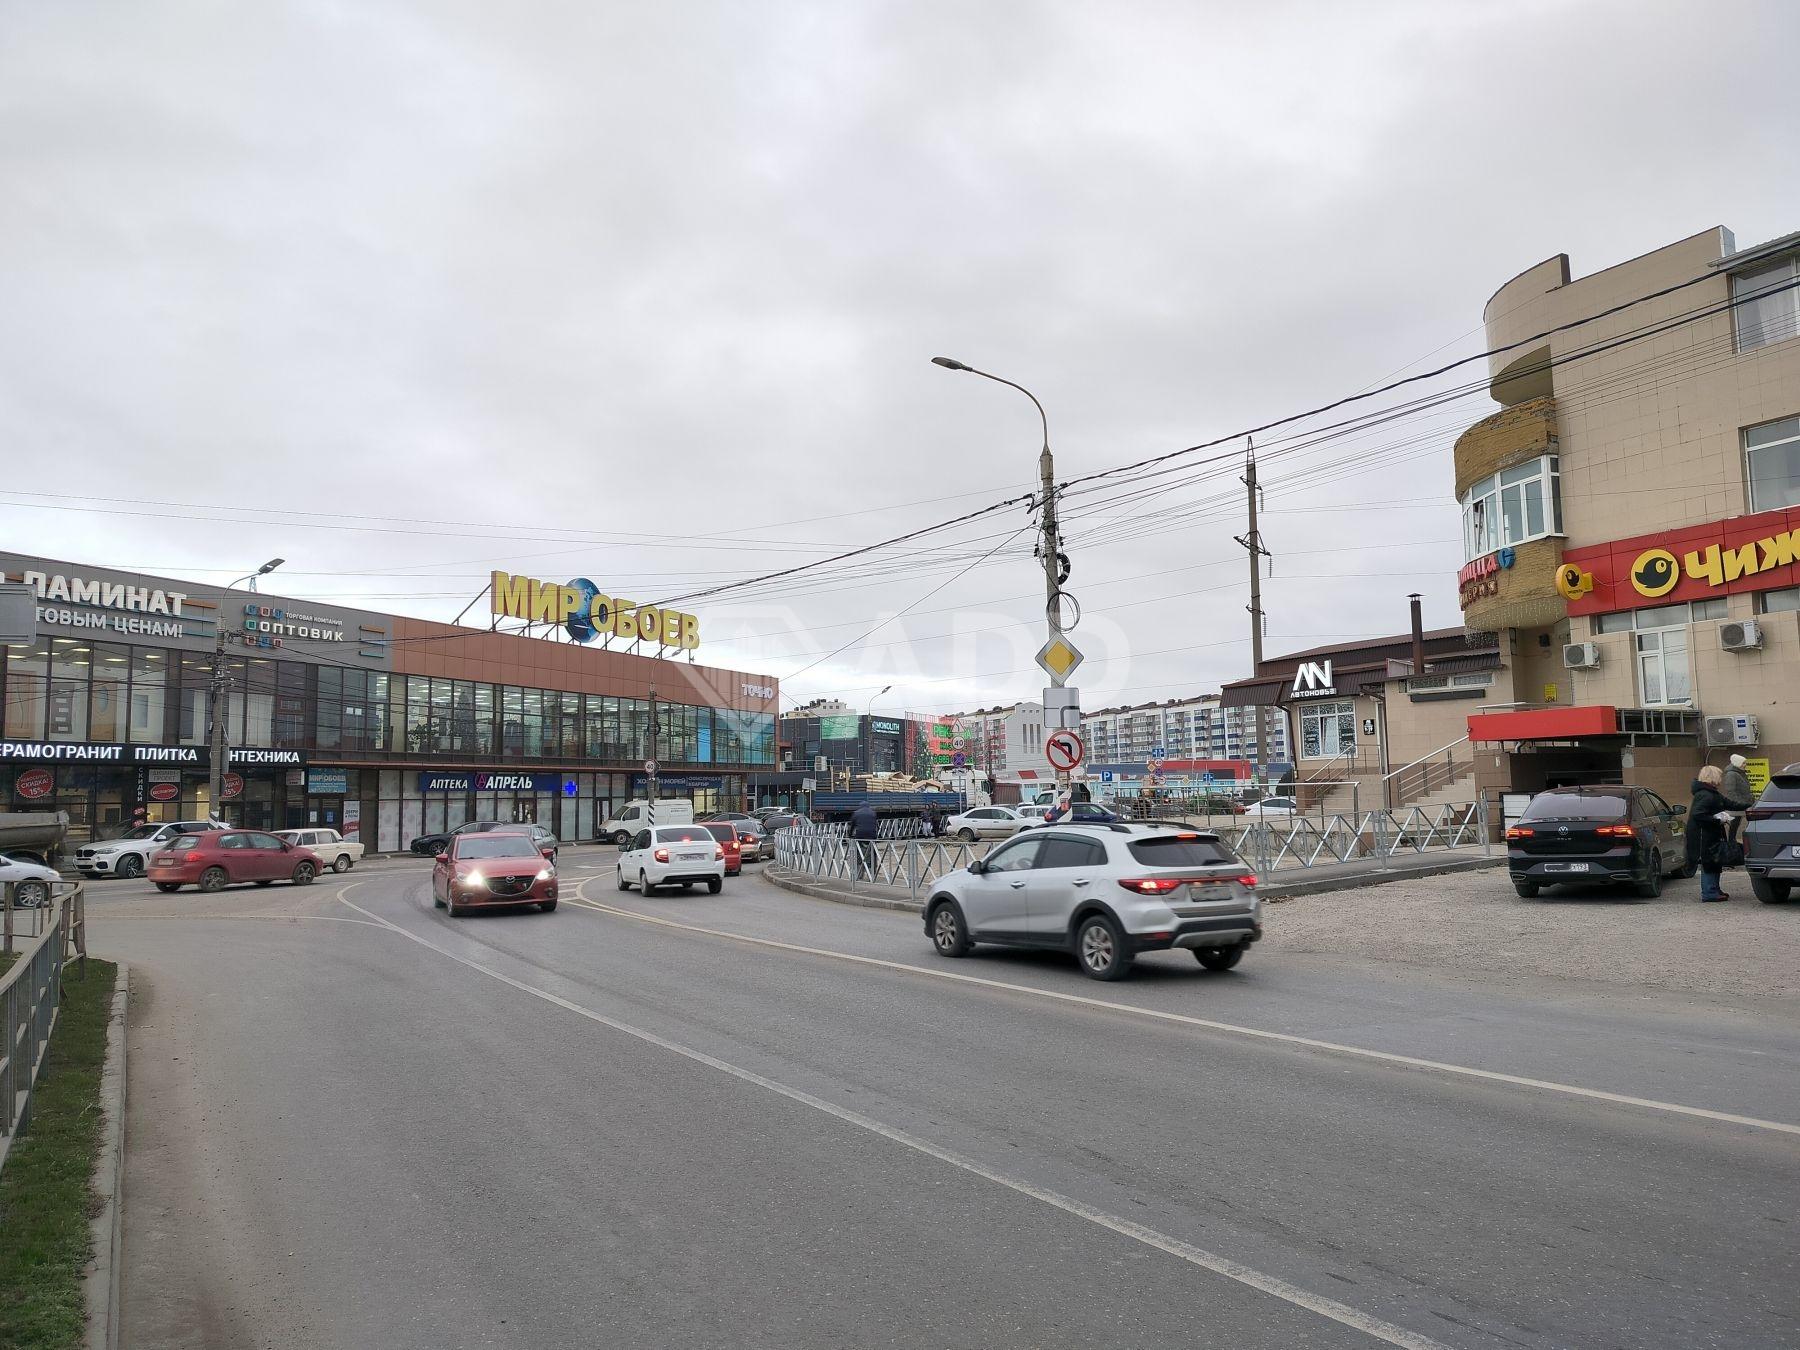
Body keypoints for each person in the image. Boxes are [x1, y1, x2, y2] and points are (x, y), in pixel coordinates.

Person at [1687, 765, 1751, 903]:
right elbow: (1698, 815)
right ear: (1713, 777)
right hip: (1704, 835)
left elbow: (1730, 804)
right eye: (1720, 776)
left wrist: (1750, 805)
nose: (1721, 779)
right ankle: (1709, 892)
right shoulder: (1706, 795)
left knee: (1715, 860)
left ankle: (1714, 889)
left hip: (1709, 834)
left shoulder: (1710, 793)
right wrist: (1718, 820)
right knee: (1709, 862)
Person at [1722, 754, 1755, 843]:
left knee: (1737, 823)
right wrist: (1738, 803)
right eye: (1743, 763)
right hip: (1738, 805)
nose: (1745, 765)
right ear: (1737, 763)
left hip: (1744, 803)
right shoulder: (1731, 774)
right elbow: (1731, 791)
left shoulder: (1740, 773)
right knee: (1735, 823)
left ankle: (1732, 841)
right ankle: (1731, 842)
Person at [849, 800, 879, 878]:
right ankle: (872, 873)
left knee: (859, 853)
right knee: (872, 853)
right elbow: (876, 825)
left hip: (860, 836)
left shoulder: (856, 813)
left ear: (860, 806)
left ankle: (859, 874)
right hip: (871, 836)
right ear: (868, 806)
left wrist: (850, 835)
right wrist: (876, 836)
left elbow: (852, 825)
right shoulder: (873, 813)